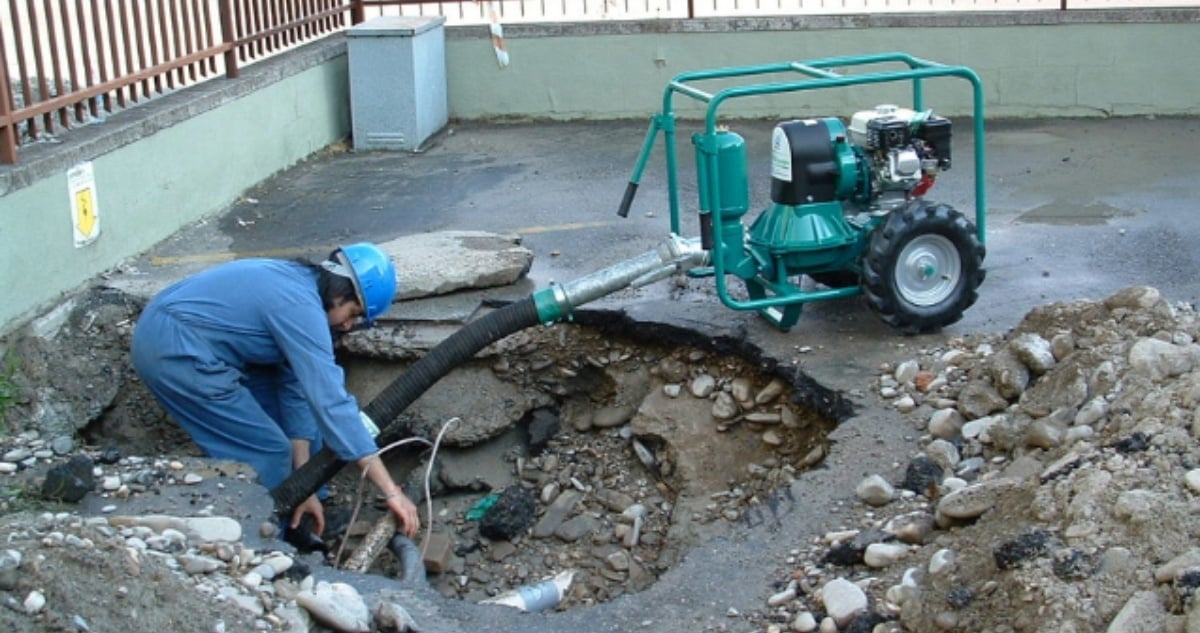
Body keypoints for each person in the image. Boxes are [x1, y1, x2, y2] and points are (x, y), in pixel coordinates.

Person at [130, 242, 419, 542]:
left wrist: (304, 483)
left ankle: (303, 512)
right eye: (353, 313)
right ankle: (266, 542)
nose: (348, 325)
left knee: (297, 420)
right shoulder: (300, 308)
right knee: (268, 450)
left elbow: (296, 391)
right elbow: (332, 404)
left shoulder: (305, 290)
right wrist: (390, 491)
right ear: (339, 292)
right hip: (172, 347)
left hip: (198, 339)